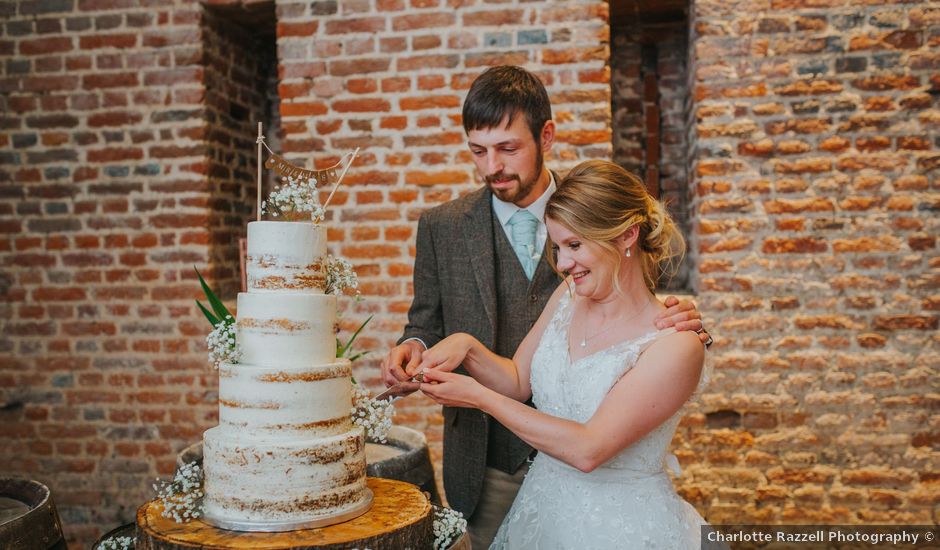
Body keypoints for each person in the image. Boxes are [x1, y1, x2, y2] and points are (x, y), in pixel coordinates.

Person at [380, 66, 710, 548]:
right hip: (498, 472)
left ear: (546, 136)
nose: (492, 165)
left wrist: (689, 327)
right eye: (478, 151)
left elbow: (640, 319)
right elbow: (501, 367)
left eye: (508, 148)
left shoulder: (600, 209)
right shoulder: (446, 229)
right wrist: (456, 345)